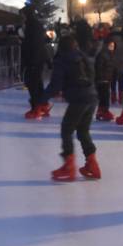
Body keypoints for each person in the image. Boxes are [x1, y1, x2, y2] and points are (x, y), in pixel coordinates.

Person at [45, 35, 100, 182]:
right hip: (92, 96)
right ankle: (92, 164)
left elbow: (55, 84)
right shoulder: (83, 57)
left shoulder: (62, 59)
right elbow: (93, 75)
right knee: (83, 130)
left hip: (79, 99)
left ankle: (69, 167)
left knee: (67, 129)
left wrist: (41, 98)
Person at [20, 6, 51, 119]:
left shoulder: (31, 26)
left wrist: (31, 60)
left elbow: (33, 45)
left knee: (32, 84)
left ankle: (36, 107)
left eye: (22, 15)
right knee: (37, 82)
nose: (21, 17)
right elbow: (42, 44)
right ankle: (42, 104)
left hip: (33, 59)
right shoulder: (36, 26)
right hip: (37, 59)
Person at [94, 37, 116, 121]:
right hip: (102, 79)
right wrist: (101, 78)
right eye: (110, 45)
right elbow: (98, 67)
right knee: (105, 96)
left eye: (113, 46)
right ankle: (104, 111)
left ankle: (102, 111)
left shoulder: (110, 54)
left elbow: (110, 67)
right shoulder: (103, 54)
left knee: (105, 96)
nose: (112, 47)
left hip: (107, 79)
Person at [109, 26, 123, 105]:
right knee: (121, 80)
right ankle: (121, 98)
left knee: (113, 81)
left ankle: (113, 97)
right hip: (121, 62)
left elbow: (110, 51)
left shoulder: (111, 40)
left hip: (113, 62)